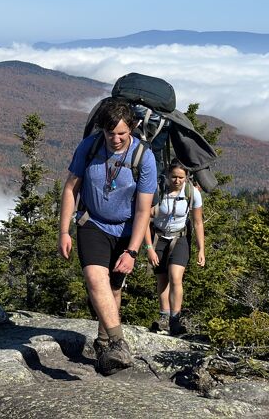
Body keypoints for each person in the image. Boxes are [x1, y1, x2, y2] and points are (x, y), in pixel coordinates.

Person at [58, 98, 156, 375]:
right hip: (92, 222)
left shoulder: (144, 157)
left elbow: (143, 210)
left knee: (114, 288)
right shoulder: (89, 148)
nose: (116, 139)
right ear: (102, 130)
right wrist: (64, 231)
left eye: (122, 134)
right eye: (110, 133)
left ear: (133, 130)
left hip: (127, 229)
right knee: (94, 276)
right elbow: (70, 190)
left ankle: (104, 344)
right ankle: (118, 342)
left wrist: (133, 251)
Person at [144, 159, 205, 335]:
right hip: (158, 237)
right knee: (162, 278)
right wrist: (148, 247)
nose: (177, 181)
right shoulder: (157, 191)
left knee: (175, 277)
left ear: (186, 177)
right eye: (173, 177)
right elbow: (145, 220)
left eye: (181, 177)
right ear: (167, 176)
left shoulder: (192, 193)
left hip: (180, 237)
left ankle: (175, 319)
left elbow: (198, 222)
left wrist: (201, 249)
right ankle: (164, 316)